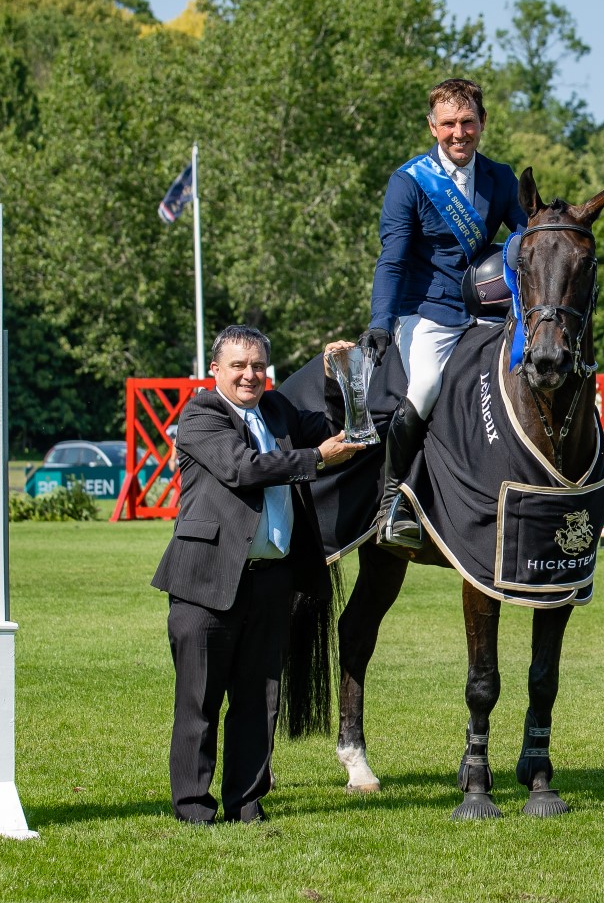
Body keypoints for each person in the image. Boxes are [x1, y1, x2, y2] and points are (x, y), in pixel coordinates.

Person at [151, 325, 362, 824]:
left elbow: (332, 421)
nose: (250, 375)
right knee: (198, 704)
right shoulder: (201, 414)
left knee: (258, 700)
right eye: (239, 366)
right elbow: (242, 468)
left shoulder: (276, 409)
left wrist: (337, 377)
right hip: (206, 580)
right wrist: (316, 458)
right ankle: (193, 809)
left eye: (258, 366)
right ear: (216, 371)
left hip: (272, 580)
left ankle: (246, 802)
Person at [359, 78, 531, 550]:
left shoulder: (500, 177)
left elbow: (527, 238)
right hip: (427, 313)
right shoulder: (408, 182)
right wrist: (380, 321)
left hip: (485, 312)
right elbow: (391, 259)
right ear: (433, 127)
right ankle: (391, 502)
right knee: (427, 386)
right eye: (450, 124)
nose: (460, 132)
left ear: (482, 123)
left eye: (468, 122)